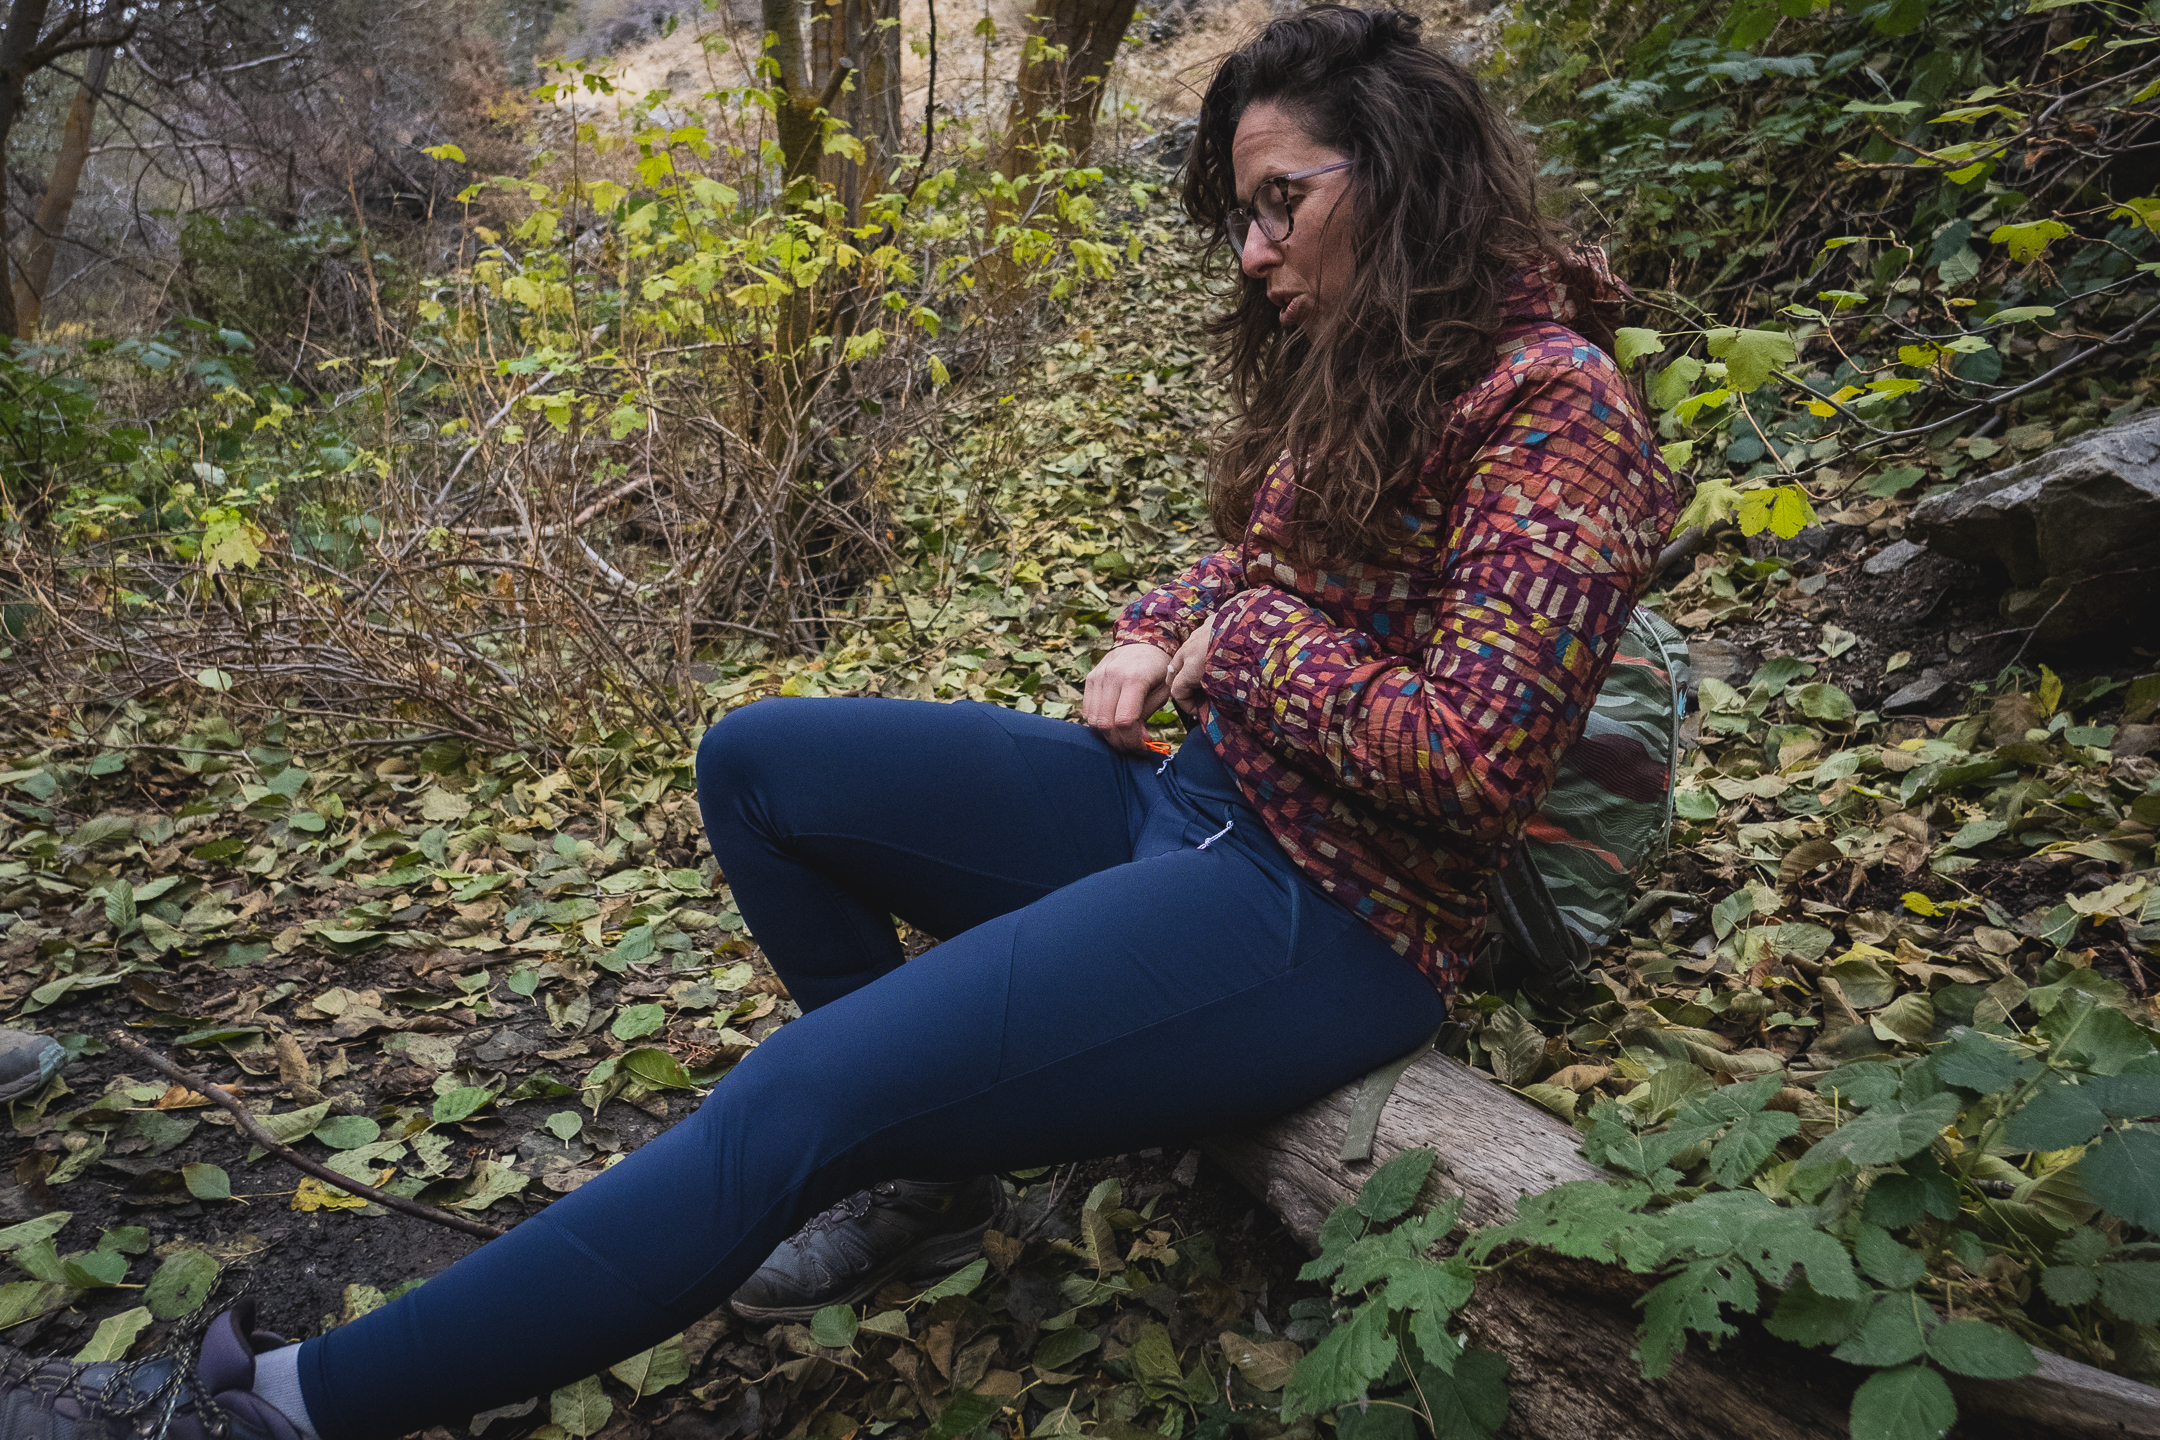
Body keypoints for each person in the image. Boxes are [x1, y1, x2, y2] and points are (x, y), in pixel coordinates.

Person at [0, 9, 1676, 1440]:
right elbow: (1253, 556)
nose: (1253, 252)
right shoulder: (1377, 360)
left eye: (1275, 206)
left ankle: (263, 1405)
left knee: (793, 1101)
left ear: (1405, 176)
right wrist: (1167, 626)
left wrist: (1236, 645)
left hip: (1333, 912)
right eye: (1239, 215)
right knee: (762, 757)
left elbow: (1473, 756)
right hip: (1203, 805)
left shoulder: (1560, 406)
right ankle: (925, 1165)